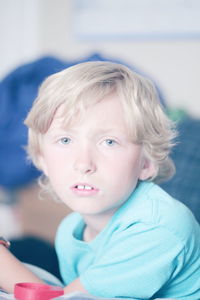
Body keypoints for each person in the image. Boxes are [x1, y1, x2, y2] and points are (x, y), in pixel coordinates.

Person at [0, 61, 200, 299]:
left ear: (146, 163)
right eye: (65, 140)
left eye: (109, 142)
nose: (84, 163)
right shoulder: (70, 230)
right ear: (42, 158)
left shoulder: (160, 228)